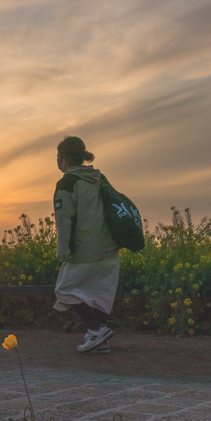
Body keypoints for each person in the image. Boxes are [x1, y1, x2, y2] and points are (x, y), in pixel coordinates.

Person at [52, 136, 119, 354]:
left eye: (58, 157)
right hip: (109, 246)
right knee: (97, 294)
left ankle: (97, 329)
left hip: (86, 248)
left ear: (66, 158)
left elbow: (65, 219)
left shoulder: (67, 183)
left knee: (65, 289)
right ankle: (98, 340)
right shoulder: (98, 178)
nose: (57, 161)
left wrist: (64, 252)